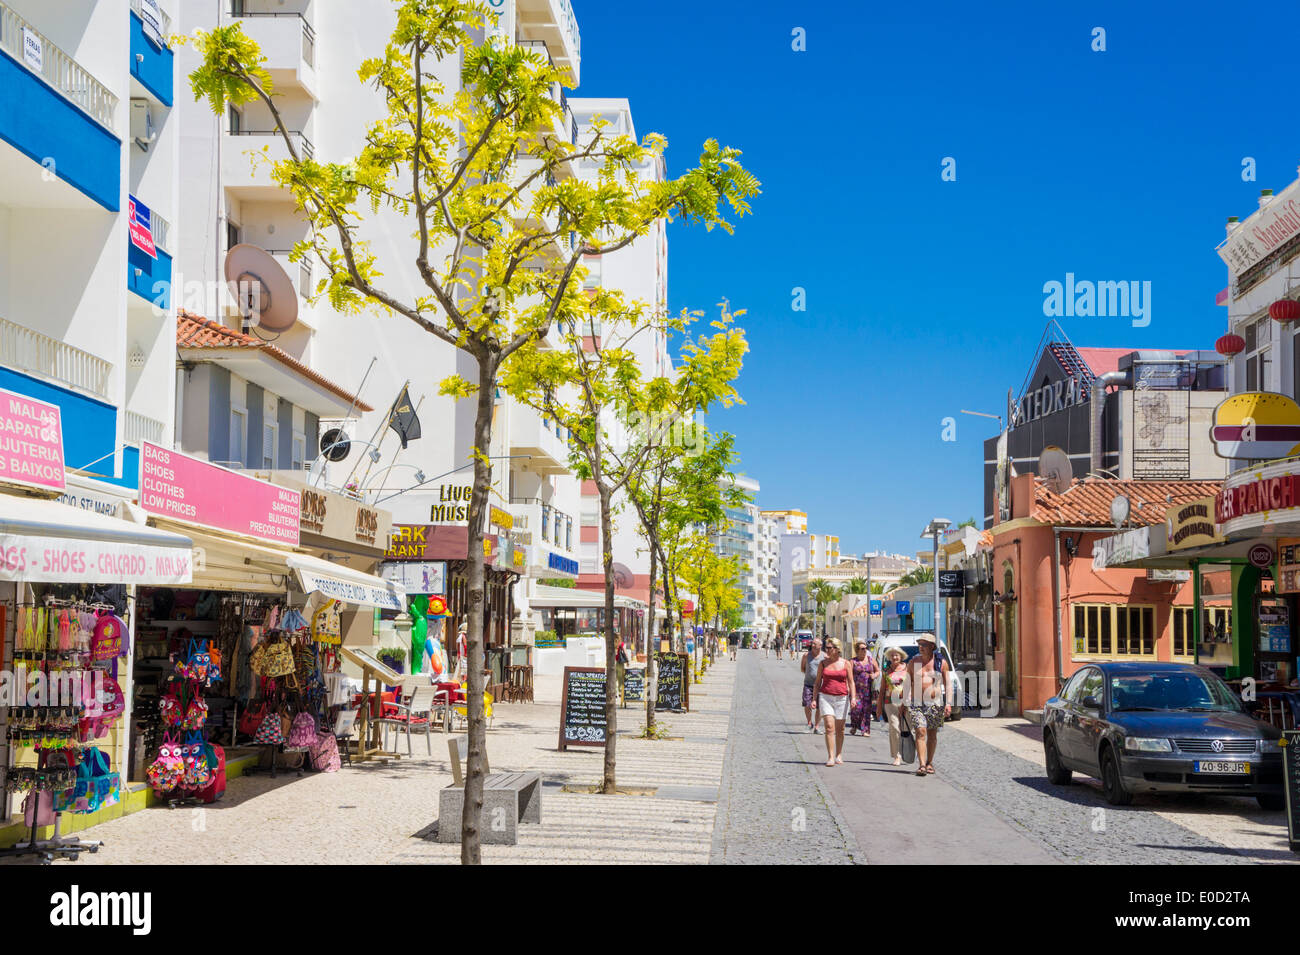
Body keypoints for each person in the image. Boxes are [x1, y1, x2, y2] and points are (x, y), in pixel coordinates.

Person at [899, 634, 951, 776]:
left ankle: (929, 762)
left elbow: (948, 684)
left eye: (924, 645)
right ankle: (921, 764)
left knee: (932, 734)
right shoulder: (914, 662)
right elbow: (907, 683)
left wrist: (949, 704)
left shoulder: (941, 663)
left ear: (932, 647)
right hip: (917, 703)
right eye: (919, 644)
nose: (920, 647)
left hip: (936, 703)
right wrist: (903, 702)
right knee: (921, 731)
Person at [812, 637, 853, 766]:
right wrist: (814, 699)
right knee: (829, 727)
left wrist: (854, 698)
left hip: (842, 698)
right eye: (826, 648)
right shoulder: (823, 664)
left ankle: (838, 754)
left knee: (840, 729)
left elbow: (851, 682)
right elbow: (817, 683)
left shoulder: (846, 663)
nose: (827, 650)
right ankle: (830, 756)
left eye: (829, 648)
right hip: (826, 697)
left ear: (836, 649)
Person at [877, 646, 909, 765]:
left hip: (905, 703)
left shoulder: (907, 669)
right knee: (894, 728)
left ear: (901, 656)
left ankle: (907, 752)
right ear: (889, 658)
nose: (894, 657)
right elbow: (882, 689)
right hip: (889, 703)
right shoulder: (886, 671)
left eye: (896, 655)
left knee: (905, 729)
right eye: (892, 655)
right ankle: (897, 755)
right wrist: (879, 707)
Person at [848, 641, 877, 736]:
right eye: (862, 648)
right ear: (857, 650)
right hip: (856, 690)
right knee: (856, 709)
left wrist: (874, 675)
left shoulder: (871, 660)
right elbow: (848, 675)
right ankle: (855, 725)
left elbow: (878, 671)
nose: (865, 650)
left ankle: (865, 730)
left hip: (868, 690)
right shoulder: (853, 661)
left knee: (866, 710)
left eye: (866, 648)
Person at [799, 638, 825, 732]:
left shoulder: (824, 656)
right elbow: (802, 668)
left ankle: (817, 727)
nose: (813, 645)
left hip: (821, 685)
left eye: (815, 644)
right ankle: (809, 723)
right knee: (806, 704)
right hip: (808, 684)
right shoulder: (806, 655)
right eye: (812, 643)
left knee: (819, 706)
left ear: (820, 646)